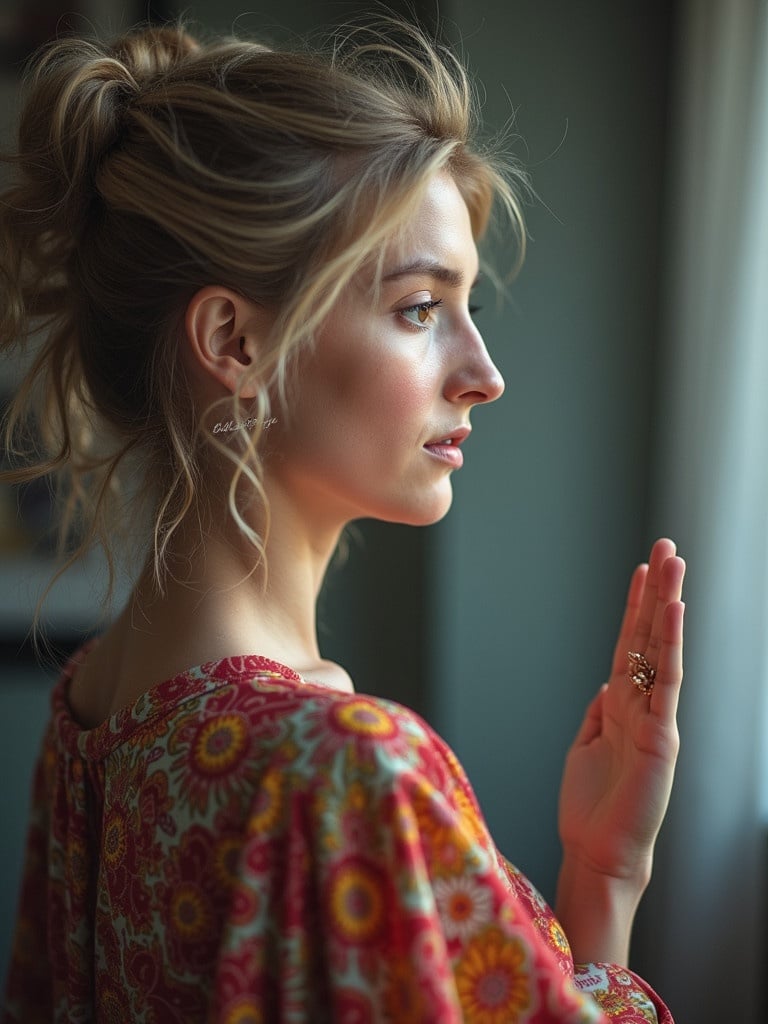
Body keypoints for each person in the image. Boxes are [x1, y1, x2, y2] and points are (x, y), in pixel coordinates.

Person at [0, 18, 685, 1024]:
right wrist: (613, 882)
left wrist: (598, 865)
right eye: (418, 308)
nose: (485, 377)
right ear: (234, 339)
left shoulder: (93, 718)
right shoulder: (349, 768)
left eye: (470, 311)